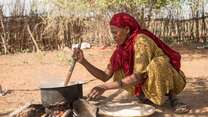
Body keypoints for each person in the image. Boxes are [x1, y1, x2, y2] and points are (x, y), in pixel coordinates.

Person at [73, 12, 190, 114]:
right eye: (112, 33)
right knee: (119, 67)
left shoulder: (141, 41)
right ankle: (145, 97)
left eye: (115, 33)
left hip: (169, 77)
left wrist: (104, 87)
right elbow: (105, 76)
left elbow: (138, 76)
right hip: (147, 80)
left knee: (158, 64)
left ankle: (173, 98)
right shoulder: (121, 50)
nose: (113, 37)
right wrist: (83, 61)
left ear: (127, 30)